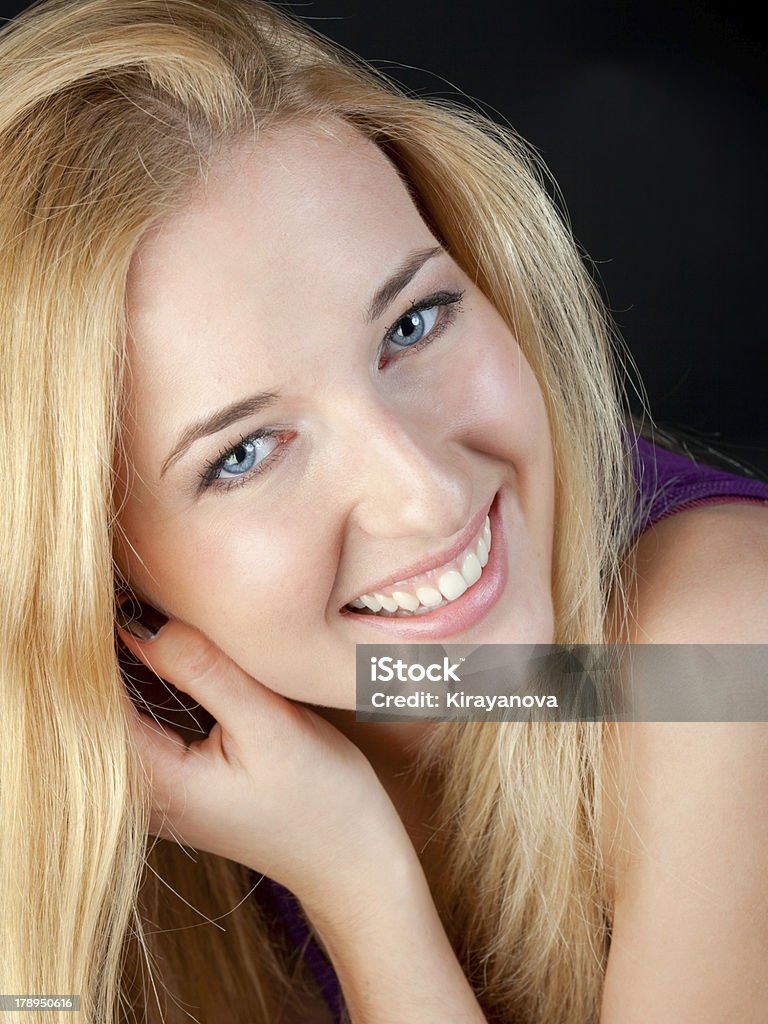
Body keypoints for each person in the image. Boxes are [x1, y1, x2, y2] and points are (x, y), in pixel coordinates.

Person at [0, 1, 766, 1022]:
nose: (427, 493)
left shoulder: (717, 655)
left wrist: (359, 886)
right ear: (96, 564)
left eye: (413, 322)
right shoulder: (93, 761)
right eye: (245, 452)